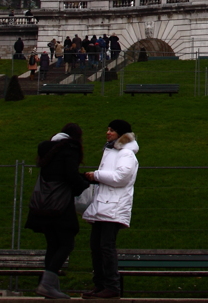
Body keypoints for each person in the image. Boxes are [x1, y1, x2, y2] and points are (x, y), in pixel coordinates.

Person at [25, 124, 91, 299]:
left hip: (43, 204)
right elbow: (70, 175)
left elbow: (55, 173)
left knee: (53, 244)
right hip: (60, 205)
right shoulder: (70, 149)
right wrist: (84, 184)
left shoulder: (47, 149)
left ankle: (51, 287)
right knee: (67, 243)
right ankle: (47, 285)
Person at [81, 120, 139, 299]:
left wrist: (96, 175)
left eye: (112, 130)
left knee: (106, 247)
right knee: (96, 247)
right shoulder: (112, 151)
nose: (108, 133)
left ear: (120, 134)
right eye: (107, 129)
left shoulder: (126, 153)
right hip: (104, 205)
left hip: (113, 206)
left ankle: (111, 285)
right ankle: (100, 285)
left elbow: (121, 177)